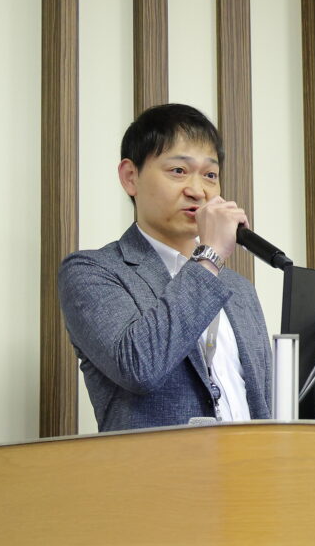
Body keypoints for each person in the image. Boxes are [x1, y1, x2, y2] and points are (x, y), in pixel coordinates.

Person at [58, 103, 272, 431]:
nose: (198, 190)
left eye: (210, 175)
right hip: (158, 479)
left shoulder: (240, 290)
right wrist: (211, 254)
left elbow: (264, 406)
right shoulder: (93, 271)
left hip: (252, 475)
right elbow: (140, 366)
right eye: (178, 171)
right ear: (131, 177)